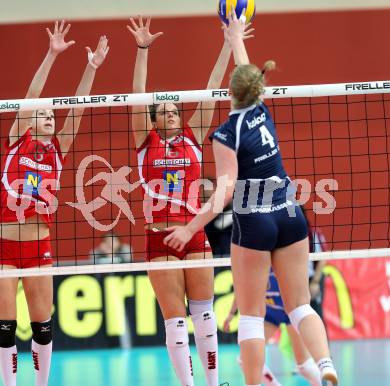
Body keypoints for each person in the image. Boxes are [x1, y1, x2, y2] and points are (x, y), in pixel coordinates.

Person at [164, 12, 338, 386]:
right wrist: (236, 37)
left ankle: (254, 384)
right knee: (301, 305)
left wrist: (190, 227)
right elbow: (249, 74)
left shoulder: (225, 134)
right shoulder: (263, 111)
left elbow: (225, 190)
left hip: (255, 218)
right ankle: (325, 365)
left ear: (229, 94)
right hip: (289, 212)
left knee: (251, 317)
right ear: (257, 91)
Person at [127, 15, 253, 386]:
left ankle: (213, 383)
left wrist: (228, 43)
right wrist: (142, 50)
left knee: (205, 315)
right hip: (160, 237)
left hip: (194, 235)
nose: (170, 113)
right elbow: (137, 93)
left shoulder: (193, 136)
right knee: (175, 320)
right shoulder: (145, 141)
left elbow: (213, 86)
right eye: (163, 111)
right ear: (153, 119)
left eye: (174, 110)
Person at [0, 21, 109, 386]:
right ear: (30, 122)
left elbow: (78, 111)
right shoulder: (16, 139)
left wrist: (91, 68)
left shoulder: (58, 149)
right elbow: (31, 96)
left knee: (42, 325)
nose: (48, 117)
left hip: (39, 245)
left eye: (51, 115)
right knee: (6, 326)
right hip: (4, 245)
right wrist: (52, 54)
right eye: (42, 114)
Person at [223, 271, 322, 386]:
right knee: (245, 359)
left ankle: (324, 380)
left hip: (290, 310)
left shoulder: (283, 259)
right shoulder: (252, 260)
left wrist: (314, 282)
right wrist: (231, 313)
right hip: (271, 312)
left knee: (305, 366)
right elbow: (242, 288)